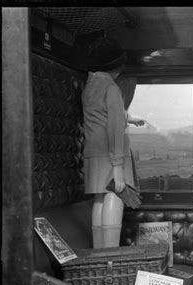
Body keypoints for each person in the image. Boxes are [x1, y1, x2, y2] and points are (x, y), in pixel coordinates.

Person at [82, 37, 142, 248]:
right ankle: (112, 256)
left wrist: (128, 117)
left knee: (100, 198)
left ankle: (100, 254)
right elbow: (115, 128)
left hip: (93, 152)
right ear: (115, 67)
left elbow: (102, 115)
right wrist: (118, 167)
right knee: (115, 196)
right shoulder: (112, 88)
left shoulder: (90, 86)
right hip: (111, 154)